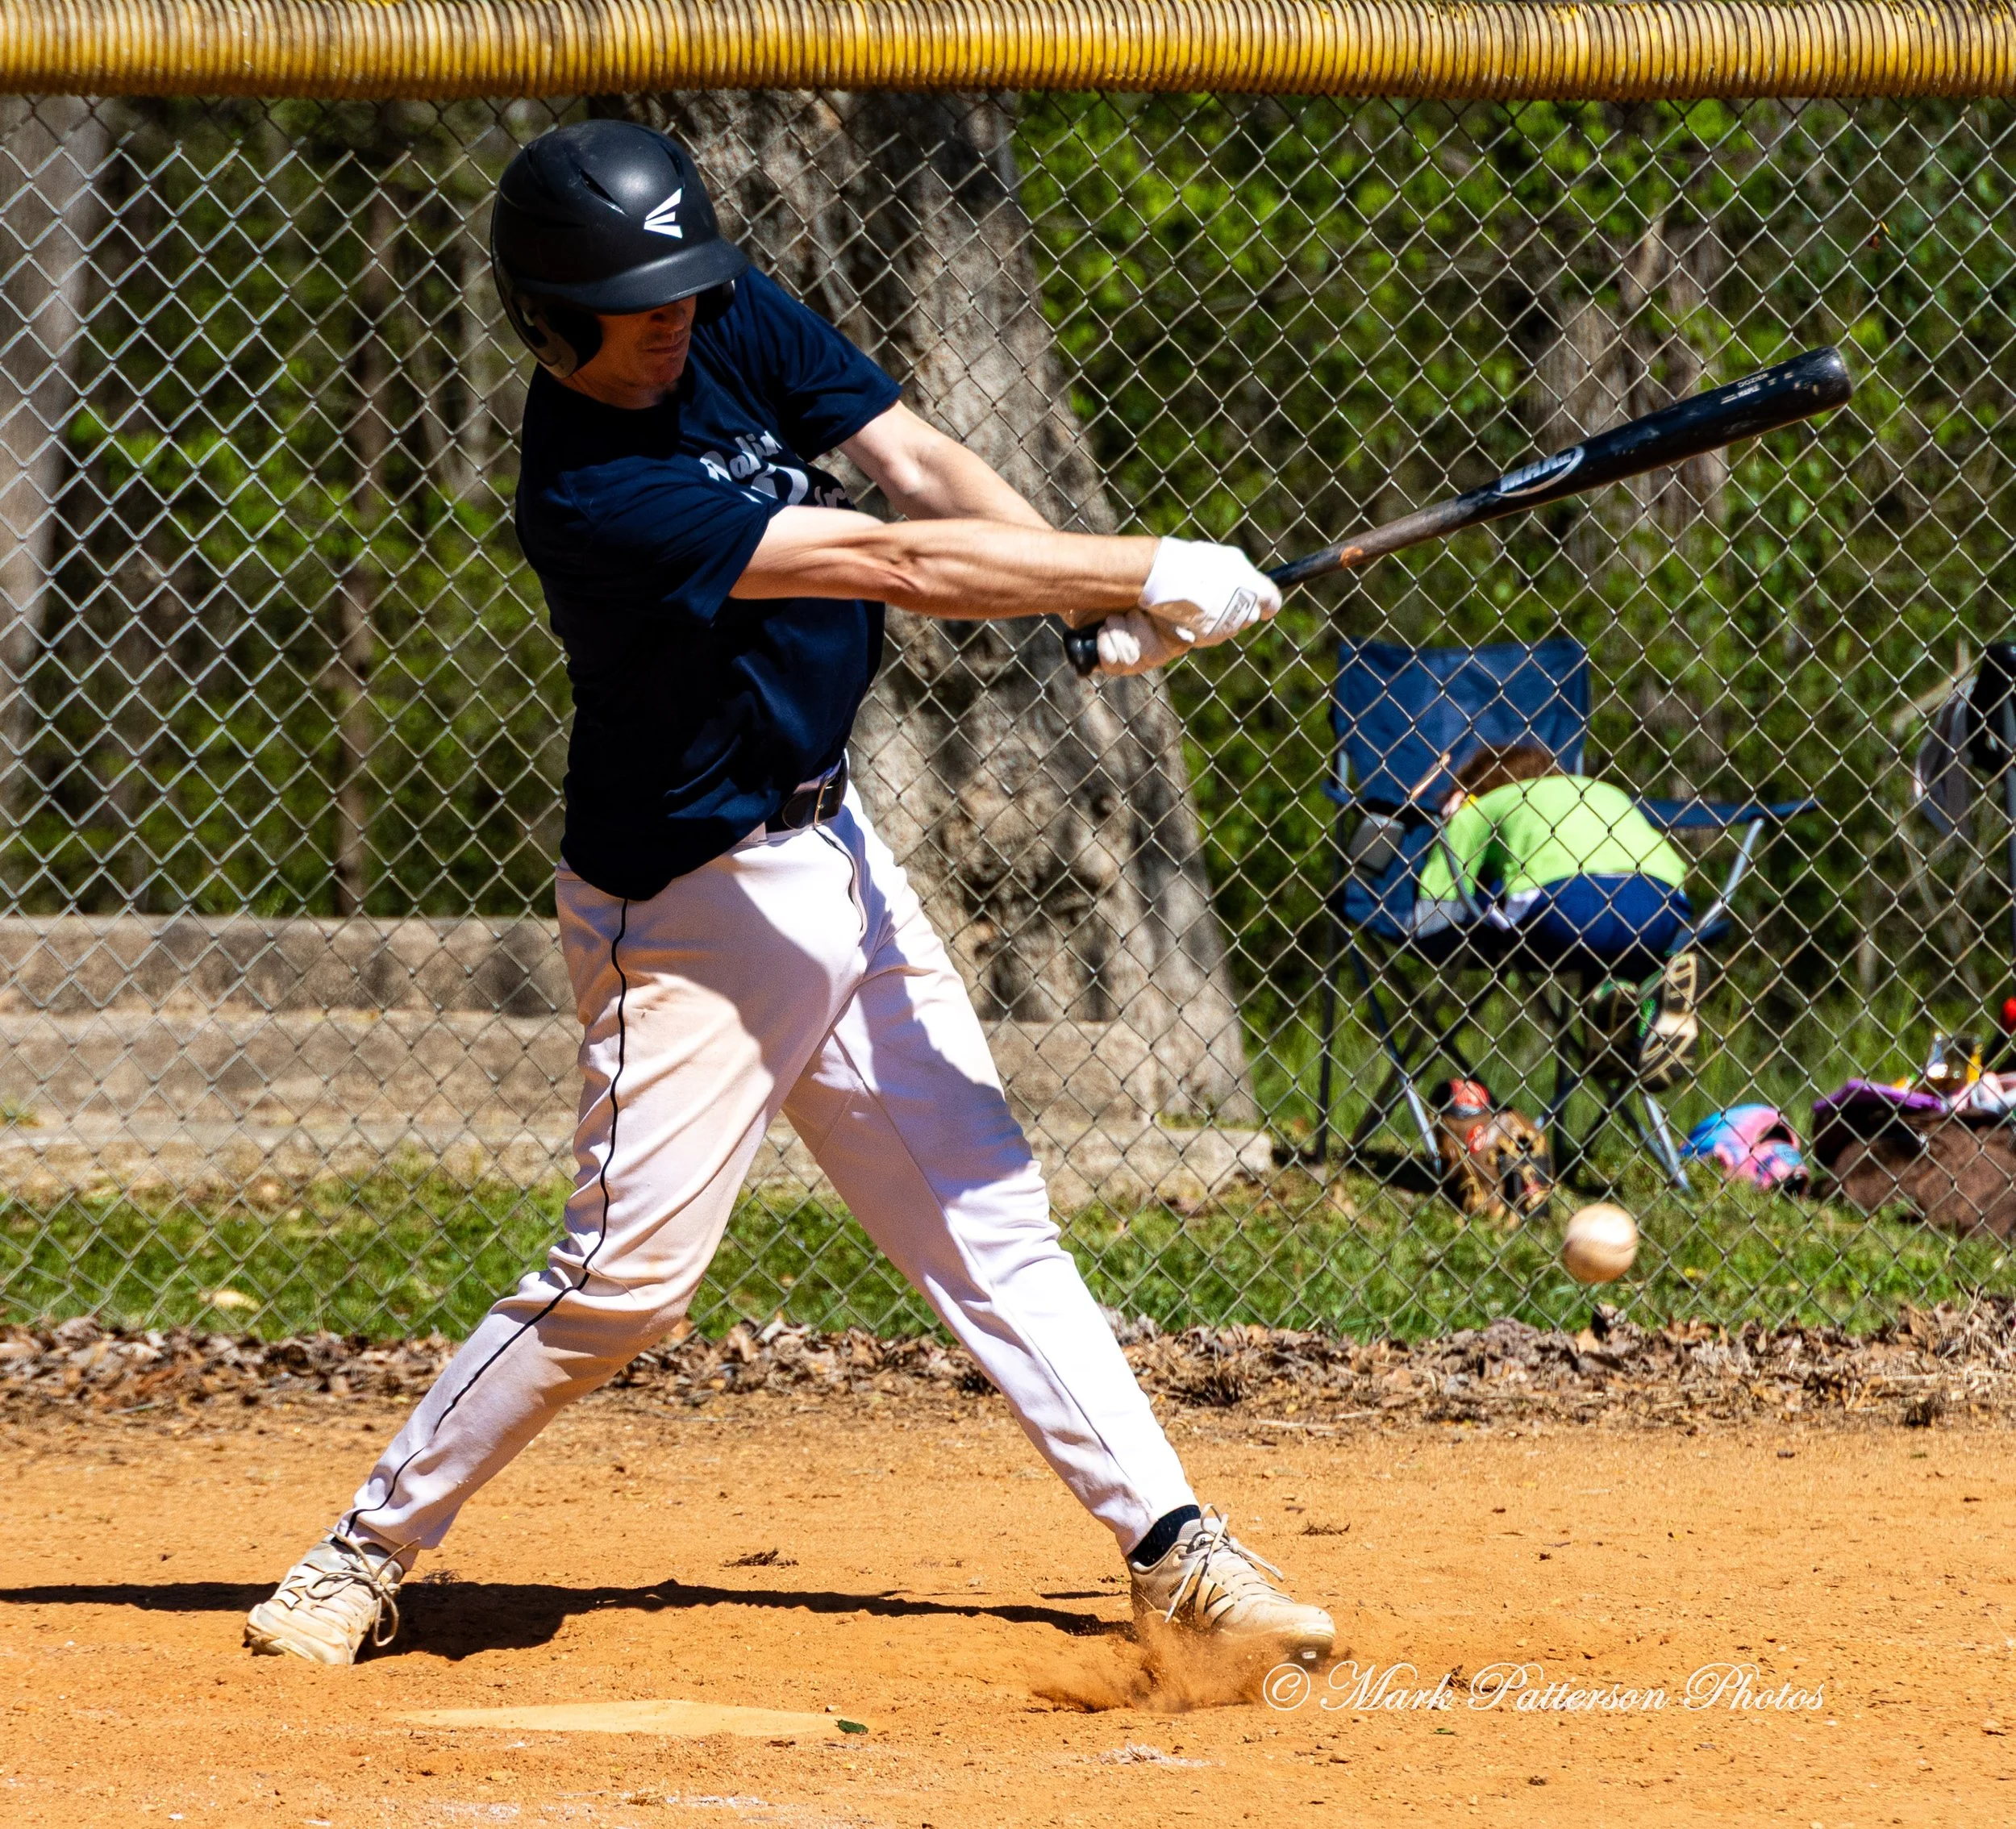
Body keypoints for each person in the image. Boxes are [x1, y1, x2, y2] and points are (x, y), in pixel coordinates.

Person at [243, 120, 1332, 1669]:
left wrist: (1097, 604)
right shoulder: (595, 494)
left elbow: (922, 464)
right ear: (552, 319)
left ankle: (1177, 1549)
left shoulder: (712, 299)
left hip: (838, 852)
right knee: (624, 1286)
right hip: (688, 904)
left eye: (688, 280)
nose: (681, 314)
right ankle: (357, 1555)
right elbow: (888, 554)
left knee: (988, 1215)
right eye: (642, 300)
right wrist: (1140, 563)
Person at [1412, 740, 1699, 1078]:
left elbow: (1435, 911)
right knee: (1611, 930)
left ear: (1470, 792)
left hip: (1563, 903)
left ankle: (1614, 1001)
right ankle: (1643, 982)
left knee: (1511, 909)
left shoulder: (1483, 805)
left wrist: (1454, 823)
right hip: (1660, 902)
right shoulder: (1603, 791)